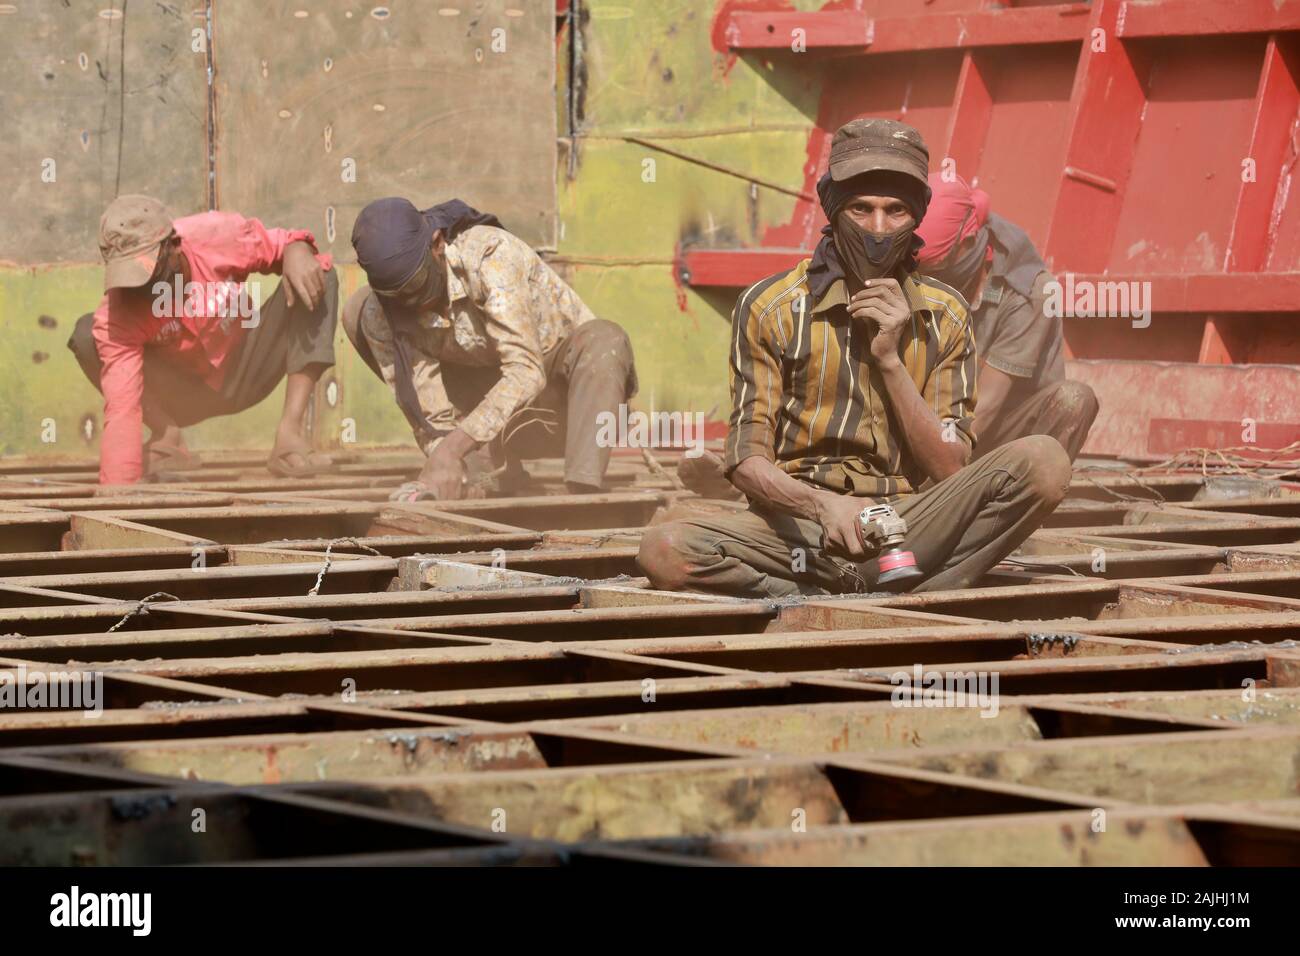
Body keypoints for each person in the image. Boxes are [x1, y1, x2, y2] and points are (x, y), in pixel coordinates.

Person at [637, 119, 1071, 599]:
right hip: (798, 526)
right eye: (861, 209)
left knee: (1045, 462)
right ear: (834, 207)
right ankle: (831, 589)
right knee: (667, 547)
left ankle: (907, 579)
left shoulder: (945, 314)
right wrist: (824, 507)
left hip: (908, 522)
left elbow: (951, 467)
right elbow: (746, 460)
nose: (879, 228)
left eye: (896, 210)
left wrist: (889, 359)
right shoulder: (772, 307)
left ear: (916, 217)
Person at [343, 197, 637, 500]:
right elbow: (429, 413)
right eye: (395, 294)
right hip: (488, 429)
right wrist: (448, 462)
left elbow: (526, 373)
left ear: (437, 243)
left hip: (559, 412)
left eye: (415, 282)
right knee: (357, 311)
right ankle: (490, 471)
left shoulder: (491, 257)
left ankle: (583, 494)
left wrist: (452, 449)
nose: (409, 301)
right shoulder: (382, 312)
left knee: (605, 339)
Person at [69, 194, 338, 484]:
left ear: (173, 245)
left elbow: (283, 245)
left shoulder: (216, 236)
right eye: (129, 277)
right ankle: (168, 437)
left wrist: (296, 248)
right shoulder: (121, 309)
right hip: (180, 394)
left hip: (245, 370)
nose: (140, 288)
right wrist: (118, 494)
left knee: (319, 272)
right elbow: (122, 408)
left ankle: (290, 435)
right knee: (90, 334)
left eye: (147, 273)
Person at [915, 174, 1098, 460]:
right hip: (928, 419)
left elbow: (984, 409)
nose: (926, 280)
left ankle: (1009, 495)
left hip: (995, 436)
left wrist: (931, 470)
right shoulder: (913, 266)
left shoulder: (1030, 293)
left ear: (969, 240)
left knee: (1074, 400)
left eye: (935, 270)